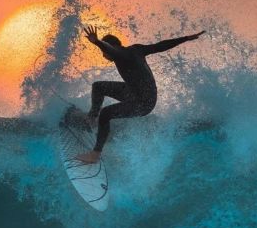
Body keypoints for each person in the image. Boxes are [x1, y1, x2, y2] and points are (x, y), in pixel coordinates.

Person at [73, 24, 206, 163]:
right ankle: (92, 119)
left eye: (104, 53)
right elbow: (160, 46)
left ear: (112, 48)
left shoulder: (119, 54)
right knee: (99, 86)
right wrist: (185, 38)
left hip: (143, 104)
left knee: (106, 113)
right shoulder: (136, 49)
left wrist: (98, 42)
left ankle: (95, 155)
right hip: (136, 93)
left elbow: (111, 50)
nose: (104, 55)